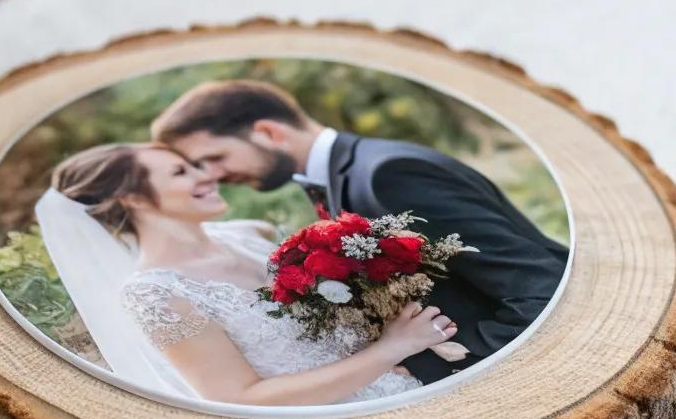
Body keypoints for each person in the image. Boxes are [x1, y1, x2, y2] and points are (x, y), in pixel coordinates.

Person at [152, 79, 569, 384]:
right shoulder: (343, 178)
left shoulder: (387, 174)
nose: (217, 177)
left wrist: (439, 364)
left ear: (268, 132)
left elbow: (541, 284)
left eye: (215, 158)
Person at [36, 142, 464, 407]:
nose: (207, 176)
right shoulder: (155, 293)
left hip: (410, 389)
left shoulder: (248, 235)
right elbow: (237, 398)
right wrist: (390, 350)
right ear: (131, 197)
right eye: (182, 172)